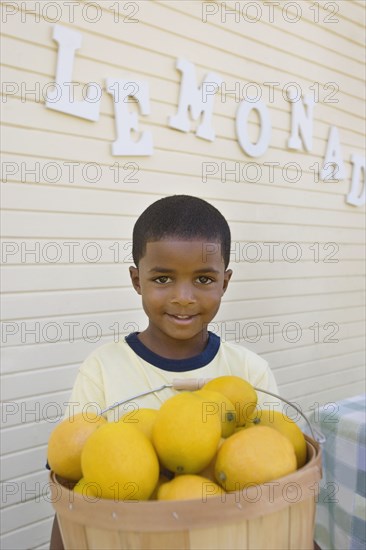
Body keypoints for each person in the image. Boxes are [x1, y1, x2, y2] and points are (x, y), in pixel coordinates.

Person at [50, 194, 279, 548]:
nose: (183, 297)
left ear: (225, 283)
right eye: (162, 279)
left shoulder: (249, 371)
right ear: (137, 279)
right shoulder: (102, 369)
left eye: (203, 279)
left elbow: (277, 476)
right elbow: (71, 483)